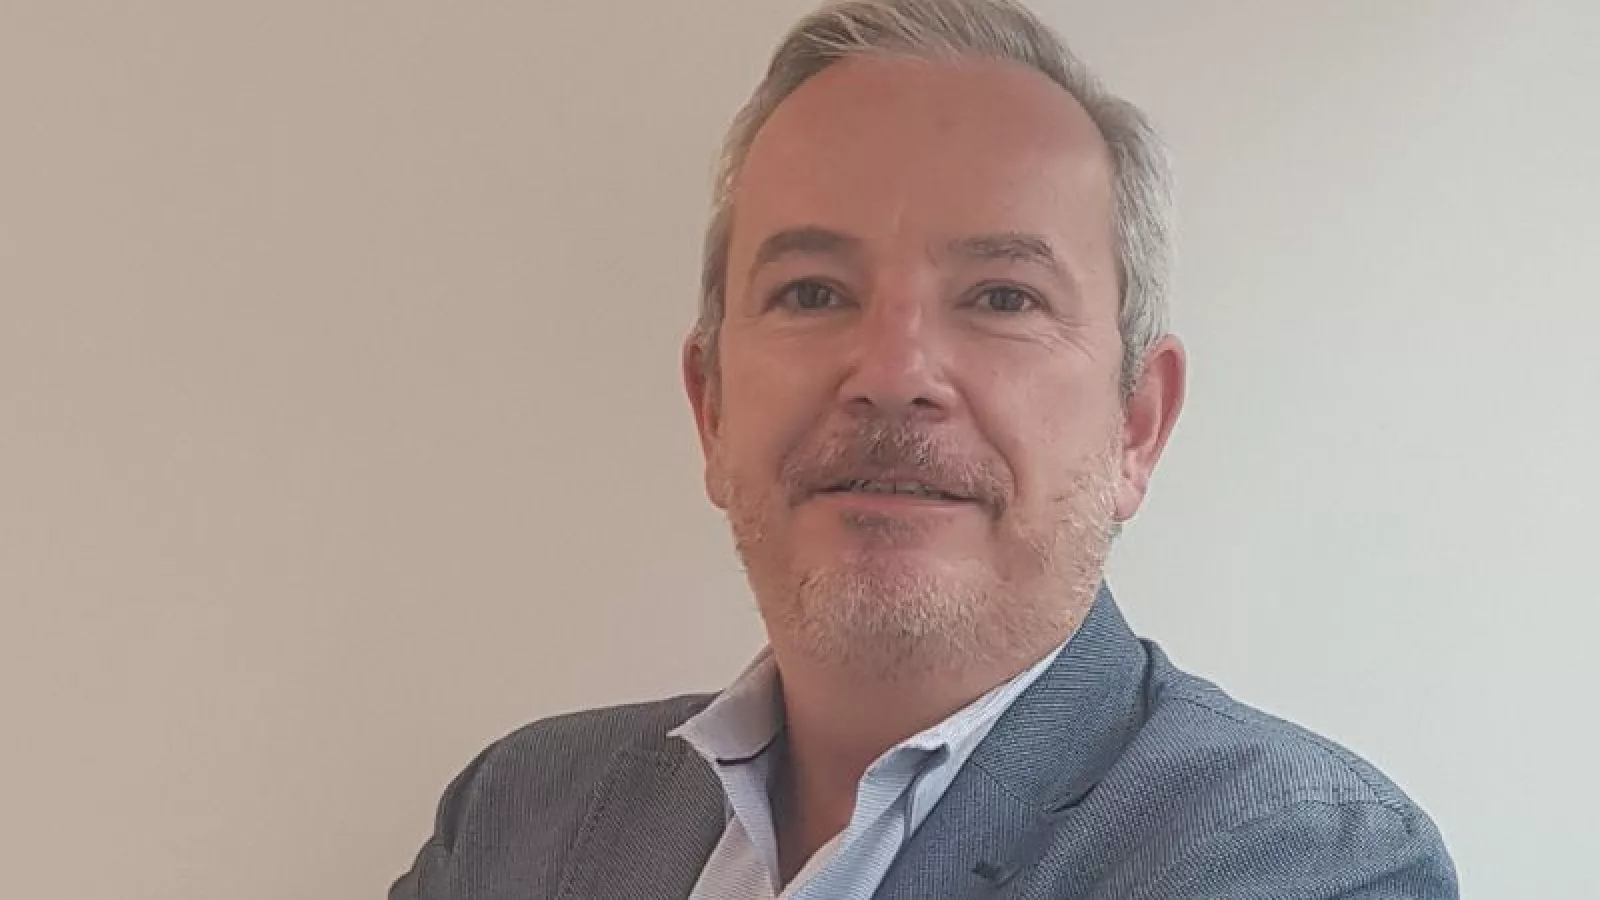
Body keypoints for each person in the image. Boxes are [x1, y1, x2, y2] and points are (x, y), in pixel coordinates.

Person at [390, 0, 1458, 897]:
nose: (894, 371)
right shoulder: (519, 816)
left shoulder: (1302, 860)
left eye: (1003, 297)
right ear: (710, 407)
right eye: (813, 293)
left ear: (1137, 424)